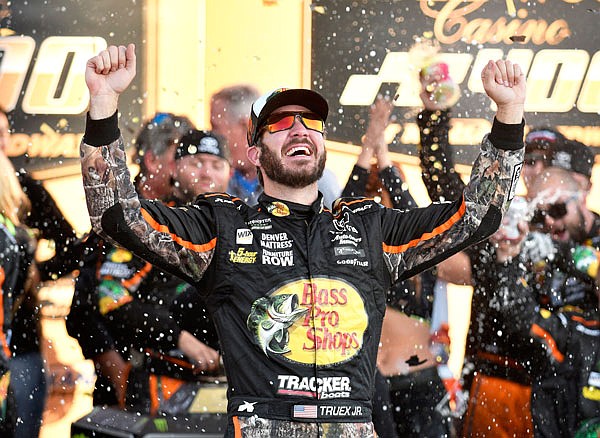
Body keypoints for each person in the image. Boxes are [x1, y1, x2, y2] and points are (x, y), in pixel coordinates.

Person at [81, 43, 525, 437]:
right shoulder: (221, 226)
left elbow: (478, 218)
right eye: (280, 124)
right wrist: (102, 106)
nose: (299, 129)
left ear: (323, 142)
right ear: (255, 153)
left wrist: (508, 117)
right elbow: (116, 216)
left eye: (311, 121)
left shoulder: (369, 227)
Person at [342, 95, 456, 437]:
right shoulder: (351, 248)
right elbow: (344, 208)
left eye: (388, 190)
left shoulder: (419, 246)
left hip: (418, 379)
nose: (383, 203)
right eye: (375, 193)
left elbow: (408, 209)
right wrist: (370, 145)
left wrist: (381, 149)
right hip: (369, 382)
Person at [67, 111, 197, 408]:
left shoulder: (187, 213)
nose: (191, 168)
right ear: (153, 161)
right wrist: (117, 370)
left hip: (178, 383)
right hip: (127, 383)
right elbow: (83, 311)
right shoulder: (117, 217)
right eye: (182, 157)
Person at [211, 84, 342, 207]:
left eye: (312, 121)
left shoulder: (320, 183)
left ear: (245, 126)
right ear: (254, 154)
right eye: (283, 123)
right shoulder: (214, 178)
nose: (301, 131)